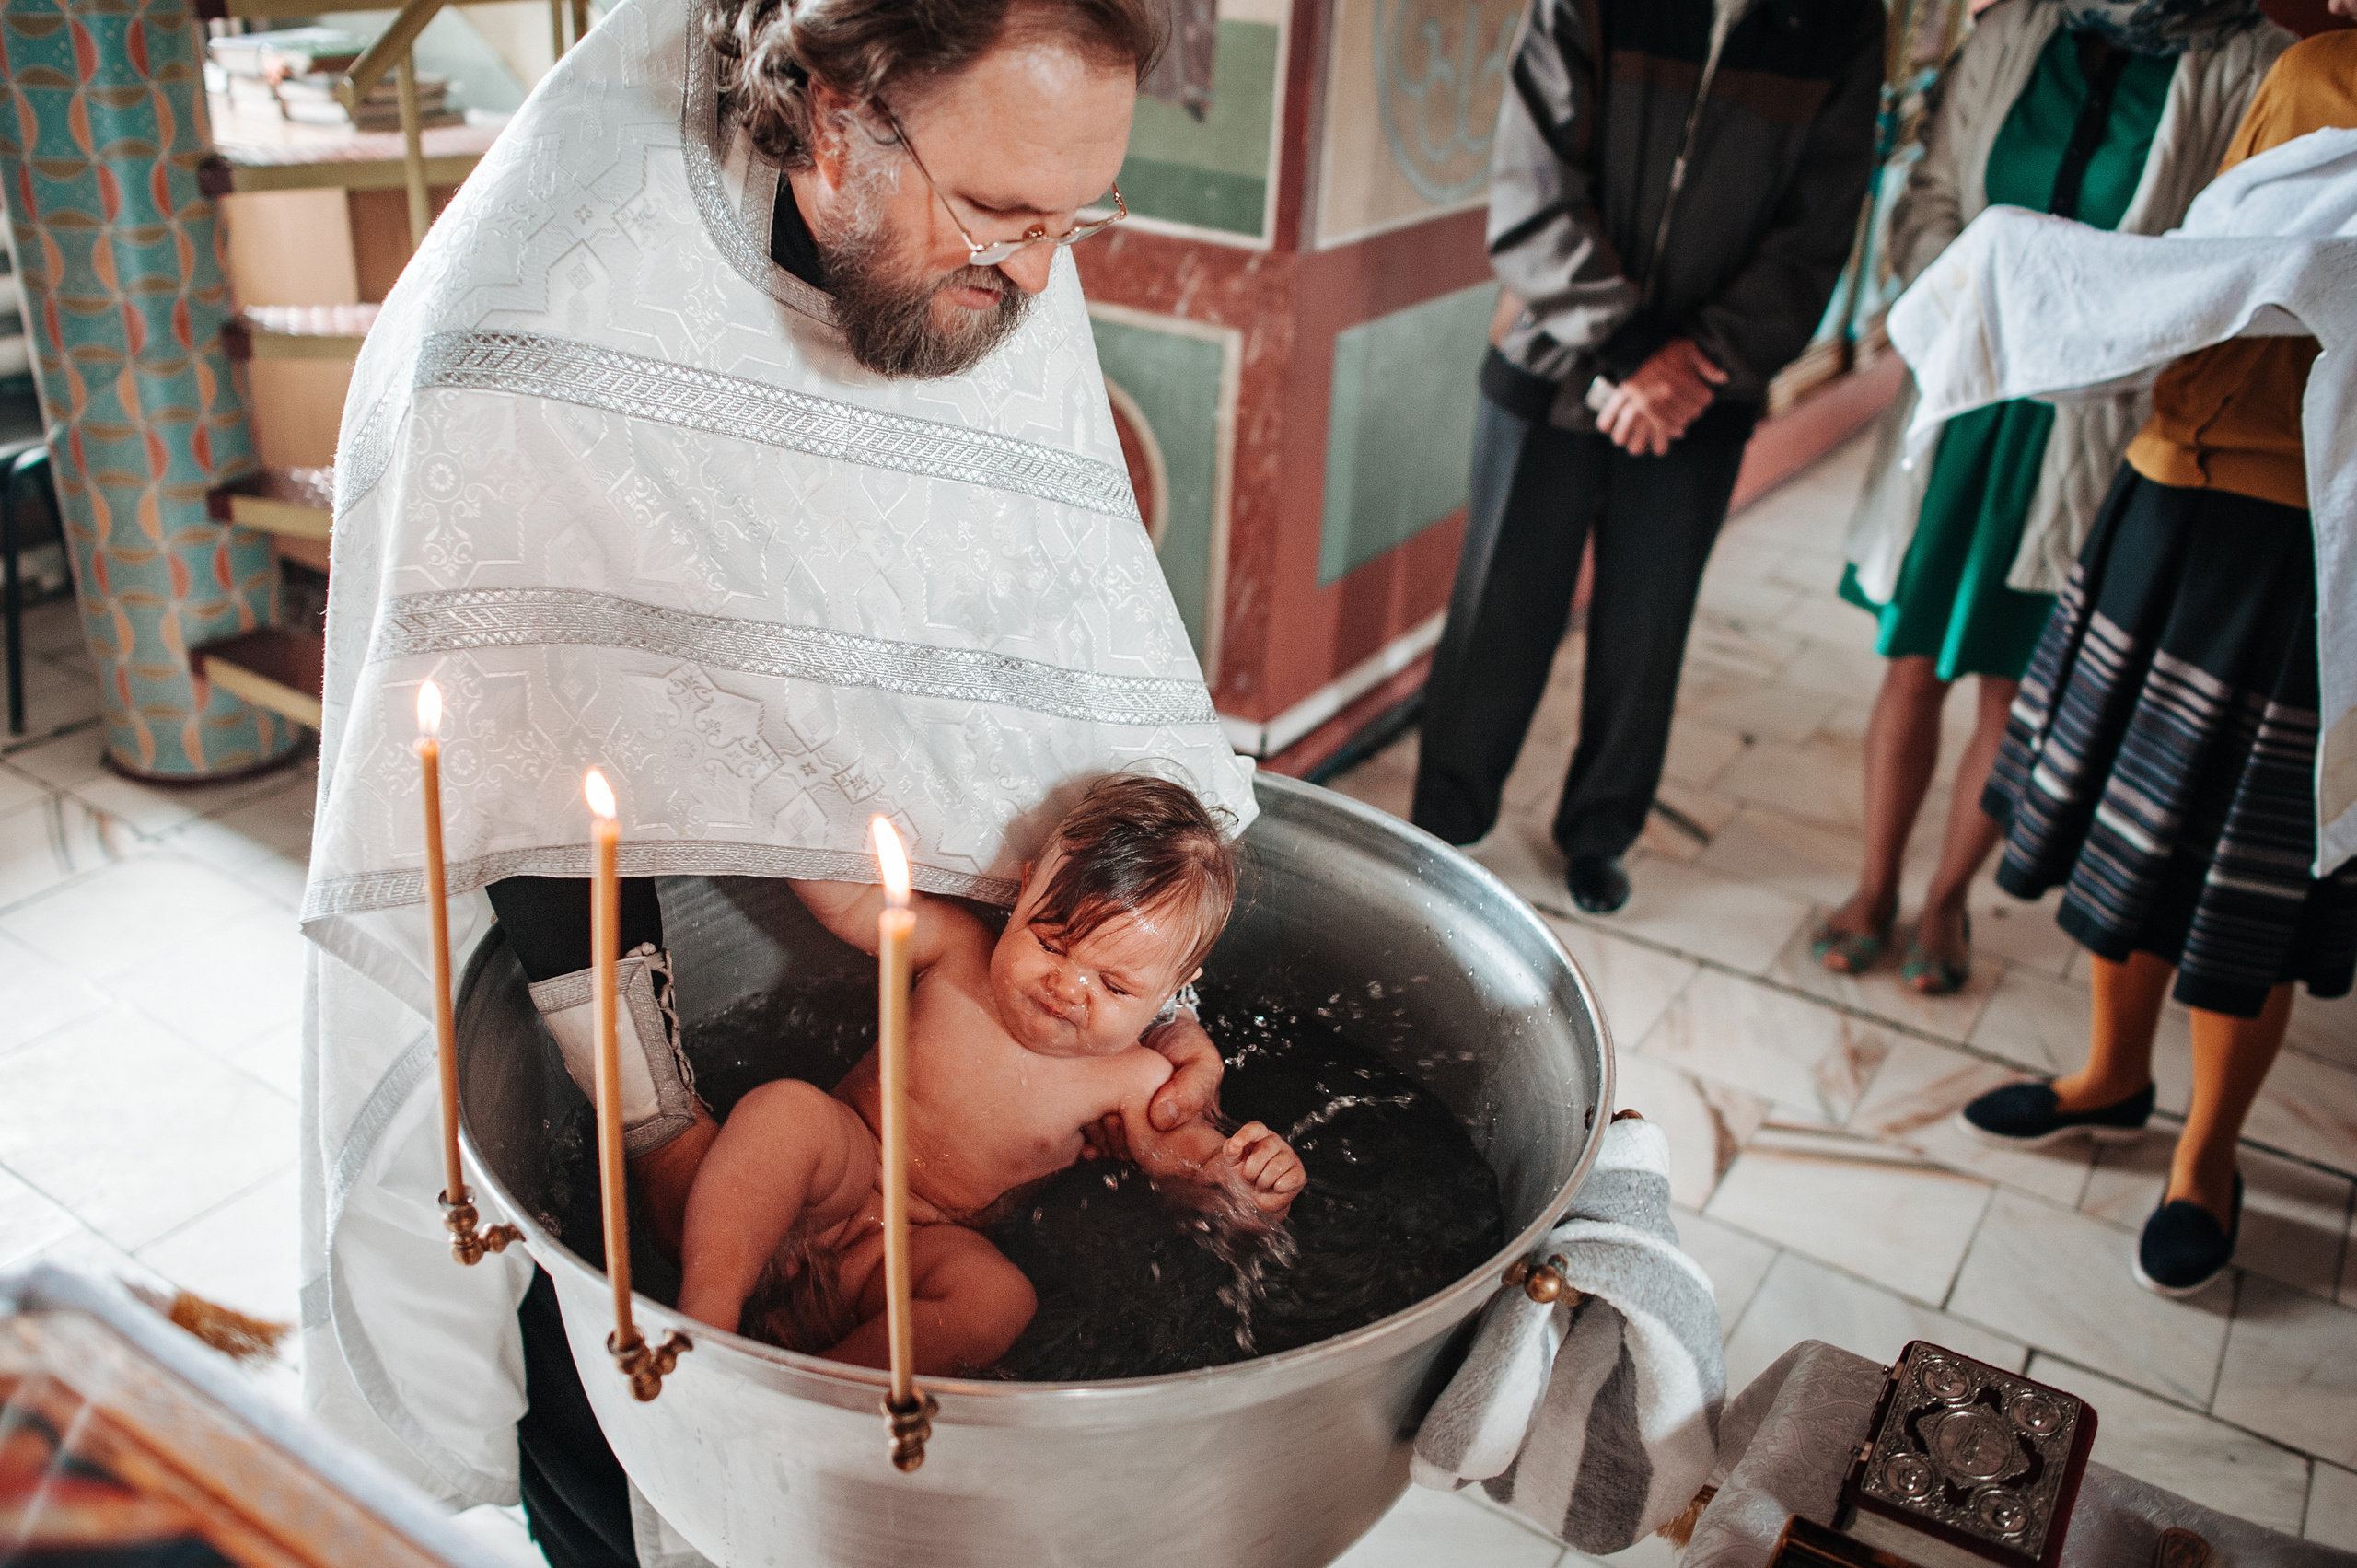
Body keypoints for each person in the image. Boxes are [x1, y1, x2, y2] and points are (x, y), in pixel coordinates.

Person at [297, 0, 1260, 1561]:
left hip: (899, 1065)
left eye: (1074, 221)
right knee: (621, 1473)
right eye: (1004, 215)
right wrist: (668, 1140)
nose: (1029, 273)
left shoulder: (992, 253)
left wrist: (1167, 1065)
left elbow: (1029, 667)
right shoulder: (543, 313)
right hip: (607, 982)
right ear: (830, 120)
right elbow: (531, 785)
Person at [1955, 19, 2357, 1296]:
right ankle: (2111, 1077)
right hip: (2165, 485)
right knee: (2126, 825)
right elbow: (2213, 267)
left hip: (2303, 525)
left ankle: (2206, 1157)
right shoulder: (2311, 63)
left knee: (2248, 874)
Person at [1821, 0, 2286, 993]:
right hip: (1962, 395)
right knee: (1909, 660)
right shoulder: (2014, 33)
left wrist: (2072, 337)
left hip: (2089, 423)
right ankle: (1872, 885)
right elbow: (1933, 193)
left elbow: (2208, 262)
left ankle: (1946, 898)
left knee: (2011, 681)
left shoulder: (2247, 66)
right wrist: (1974, 313)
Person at [1410, 0, 1886, 914]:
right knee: (1498, 616)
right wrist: (1630, 349)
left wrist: (1694, 364)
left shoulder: (1842, 20)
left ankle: (1598, 834)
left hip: (1704, 394)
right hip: (1549, 358)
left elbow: (1820, 220)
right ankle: (1444, 830)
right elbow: (1531, 185)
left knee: (1647, 624)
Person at [677, 774, 1304, 1371]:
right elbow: (853, 901)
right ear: (1024, 890)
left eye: (1113, 984)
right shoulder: (958, 952)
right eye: (1051, 941)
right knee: (790, 1111)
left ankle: (820, 1392)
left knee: (999, 1297)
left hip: (919, 1244)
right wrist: (772, 800)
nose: (1066, 985)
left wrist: (1249, 1181)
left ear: (1174, 988)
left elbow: (1189, 1163)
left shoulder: (1135, 1077)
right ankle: (707, 1312)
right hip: (840, 1170)